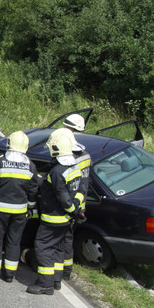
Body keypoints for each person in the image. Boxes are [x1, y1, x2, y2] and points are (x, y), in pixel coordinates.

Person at [0, 131, 38, 283]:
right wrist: (29, 207)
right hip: (19, 213)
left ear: (9, 144)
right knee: (14, 241)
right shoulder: (30, 166)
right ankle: (10, 274)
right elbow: (33, 190)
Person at [27, 129, 82, 295]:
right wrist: (75, 211)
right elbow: (78, 192)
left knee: (42, 248)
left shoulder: (57, 172)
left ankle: (45, 284)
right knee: (57, 248)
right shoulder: (74, 167)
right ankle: (56, 280)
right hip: (64, 220)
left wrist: (71, 210)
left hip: (53, 218)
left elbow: (63, 198)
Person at [61, 116, 90, 282]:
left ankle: (63, 272)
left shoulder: (70, 159)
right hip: (80, 202)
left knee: (64, 239)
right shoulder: (85, 155)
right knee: (68, 238)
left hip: (70, 205)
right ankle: (66, 271)